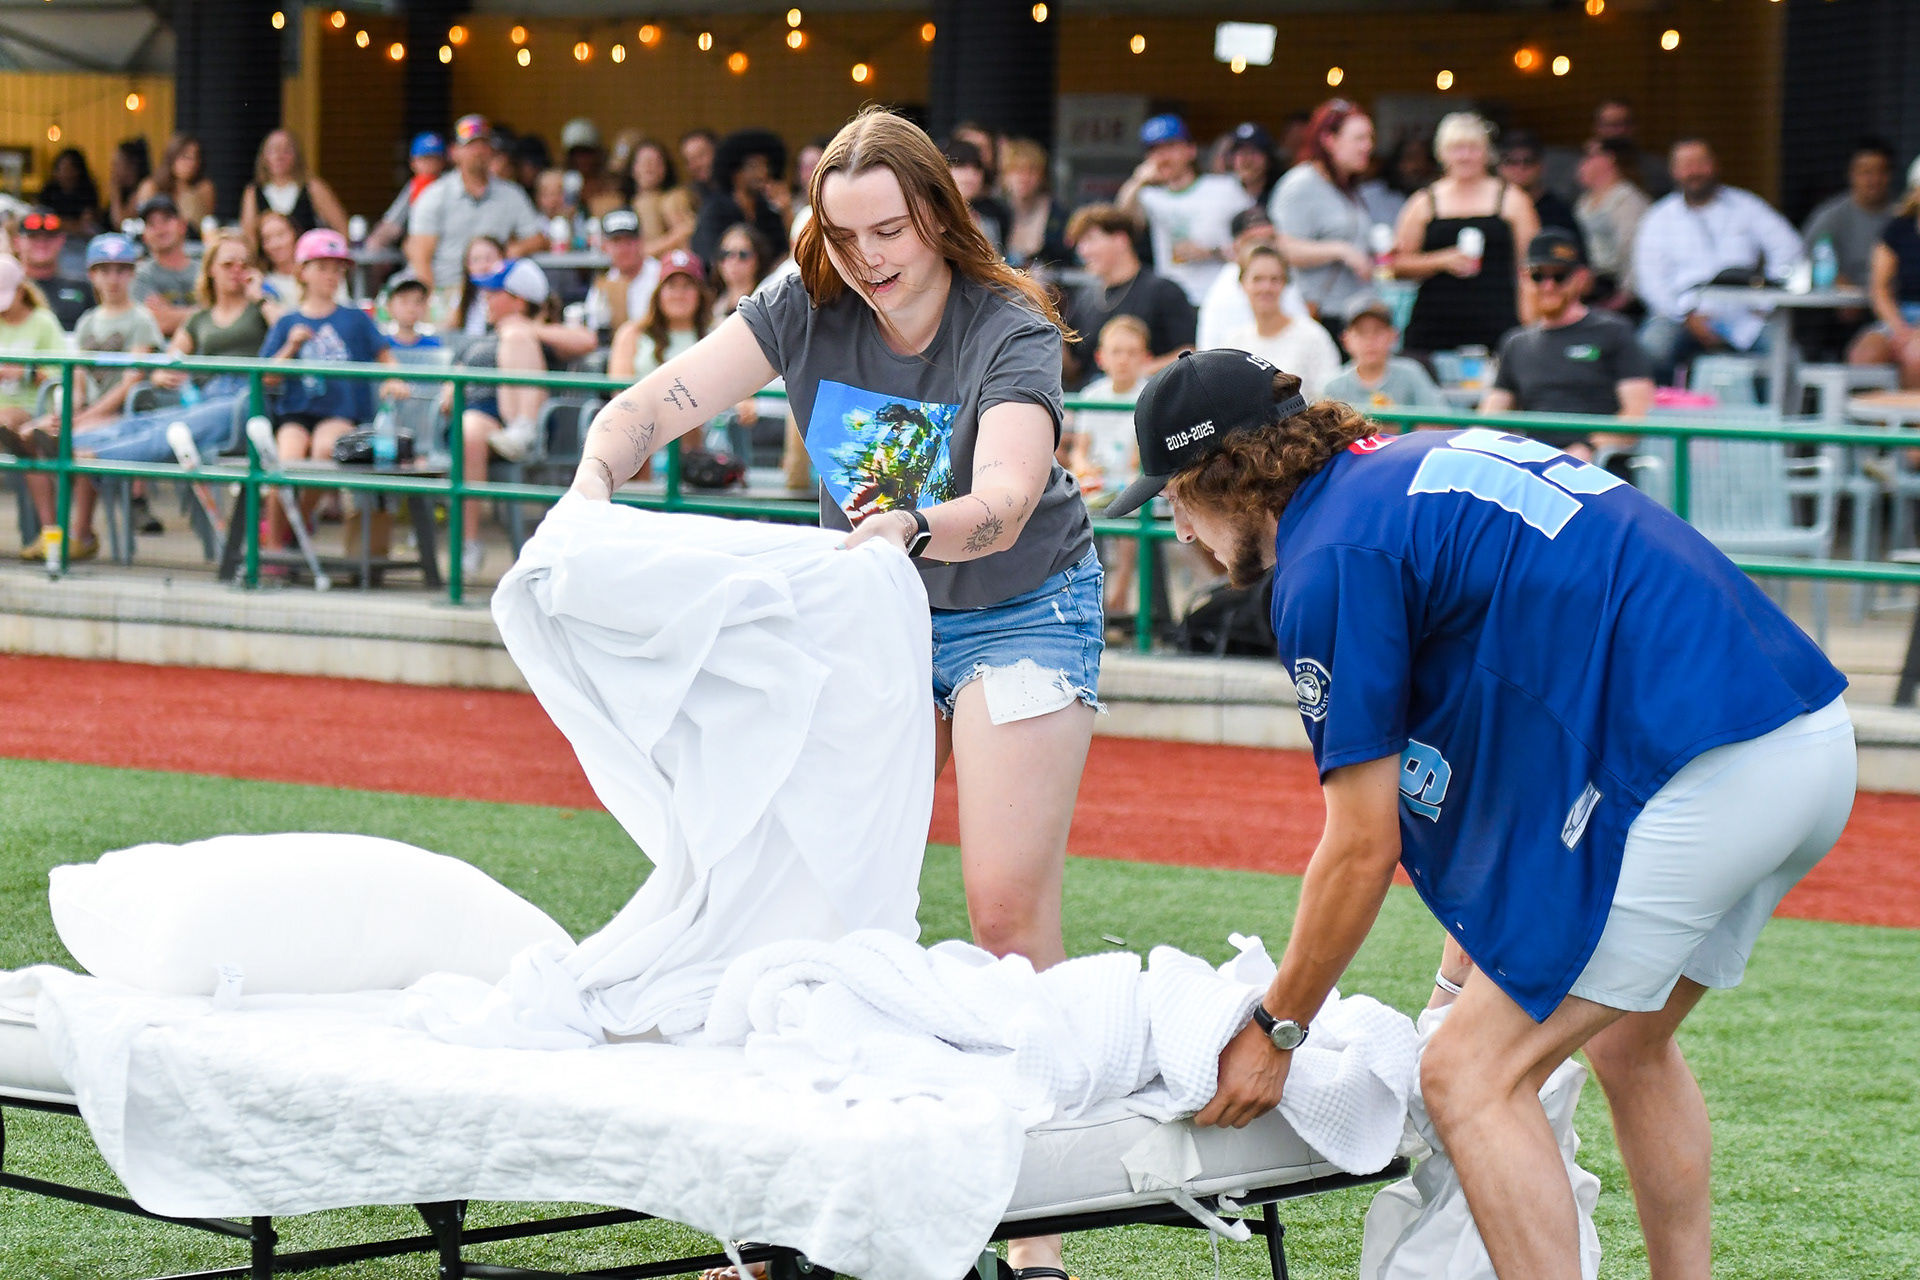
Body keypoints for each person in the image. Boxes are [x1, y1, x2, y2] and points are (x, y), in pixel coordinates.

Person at [1102, 347, 1852, 1280]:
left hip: (1703, 763)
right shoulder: (1406, 464)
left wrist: (1277, 1027)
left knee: (1466, 1073)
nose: (1178, 528)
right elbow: (1517, 741)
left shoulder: (1329, 556)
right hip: (1808, 735)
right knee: (1630, 1042)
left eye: (1177, 497)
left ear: (1227, 473)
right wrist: (1462, 966)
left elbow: (1361, 846)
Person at [573, 109, 1101, 1280]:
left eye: (889, 230)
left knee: (1005, 910)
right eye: (844, 232)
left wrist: (911, 523)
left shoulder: (1008, 327)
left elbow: (1010, 495)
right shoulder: (803, 302)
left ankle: (1039, 1238)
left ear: (939, 216)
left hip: (1019, 605)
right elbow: (662, 400)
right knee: (816, 900)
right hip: (875, 614)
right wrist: (596, 474)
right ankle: (788, 1223)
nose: (867, 257)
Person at [1, 231, 271, 553]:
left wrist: (262, 297)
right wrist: (160, 373)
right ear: (211, 269)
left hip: (244, 400)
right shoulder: (200, 318)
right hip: (203, 398)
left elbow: (287, 331)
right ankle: (63, 458)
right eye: (228, 263)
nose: (237, 270)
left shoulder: (261, 309)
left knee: (168, 429)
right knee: (149, 424)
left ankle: (86, 457)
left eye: (244, 263)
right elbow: (168, 360)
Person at [9, 233, 163, 556]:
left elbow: (130, 383)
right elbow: (77, 382)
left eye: (121, 270)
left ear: (132, 273)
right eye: (105, 270)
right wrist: (66, 413)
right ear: (92, 275)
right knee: (32, 434)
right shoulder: (87, 321)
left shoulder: (141, 319)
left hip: (130, 414)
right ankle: (53, 532)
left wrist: (80, 419)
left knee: (79, 441)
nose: (113, 278)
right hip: (90, 412)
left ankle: (81, 534)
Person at [256, 229, 404, 552]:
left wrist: (393, 379)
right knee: (286, 458)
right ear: (302, 272)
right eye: (322, 267)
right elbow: (267, 377)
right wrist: (291, 346)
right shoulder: (287, 322)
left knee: (325, 449)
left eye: (337, 269)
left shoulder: (355, 319)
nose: (331, 276)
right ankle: (275, 545)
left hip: (341, 411)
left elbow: (385, 355)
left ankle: (294, 525)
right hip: (296, 411)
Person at [452, 256, 595, 564]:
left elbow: (587, 341)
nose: (486, 298)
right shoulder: (481, 336)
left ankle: (523, 429)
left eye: (495, 292)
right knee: (469, 431)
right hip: (482, 415)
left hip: (535, 419)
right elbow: (456, 373)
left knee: (516, 336)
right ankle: (469, 542)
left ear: (518, 300)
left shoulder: (536, 331)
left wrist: (527, 328)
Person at [1633, 139, 1804, 385]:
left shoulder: (1746, 206)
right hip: (1680, 314)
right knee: (1649, 348)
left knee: (1787, 358)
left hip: (1744, 313)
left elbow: (1789, 248)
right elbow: (1649, 280)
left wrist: (1766, 301)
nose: (1694, 171)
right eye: (1686, 165)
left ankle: (1773, 412)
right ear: (1673, 171)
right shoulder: (1659, 217)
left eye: (1700, 163)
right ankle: (1663, 407)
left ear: (1715, 165)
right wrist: (1685, 314)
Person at [1482, 230, 1654, 458]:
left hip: (1596, 464)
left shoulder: (1614, 332)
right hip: (1532, 462)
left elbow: (1636, 415)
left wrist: (1590, 448)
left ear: (1580, 278)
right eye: (1538, 276)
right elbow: (1490, 419)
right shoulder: (1516, 343)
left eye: (1559, 276)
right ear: (1524, 277)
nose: (1548, 285)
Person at [1393, 112, 1539, 357]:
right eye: (1456, 148)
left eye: (1473, 148)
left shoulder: (1512, 199)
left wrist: (1531, 324)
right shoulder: (1424, 202)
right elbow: (1397, 265)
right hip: (1434, 327)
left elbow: (1531, 268)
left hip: (1497, 323)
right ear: (1442, 153)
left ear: (1487, 153)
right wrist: (1442, 260)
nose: (1465, 156)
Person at [406, 115, 548, 300]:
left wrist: (515, 250)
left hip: (493, 291)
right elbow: (420, 256)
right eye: (471, 145)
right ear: (454, 152)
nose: (479, 151)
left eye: (485, 144)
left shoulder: (511, 194)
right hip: (446, 289)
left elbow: (539, 239)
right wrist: (430, 300)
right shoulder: (434, 195)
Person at [1118, 113, 1251, 306]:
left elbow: (1256, 240)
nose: (1163, 157)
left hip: (1220, 296)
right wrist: (1137, 181)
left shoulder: (1225, 188)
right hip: (1172, 300)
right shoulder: (1150, 196)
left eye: (1170, 147)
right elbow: (1120, 225)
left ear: (1191, 150)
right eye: (1155, 150)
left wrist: (1211, 252)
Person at [1062, 204, 1196, 388]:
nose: (1083, 251)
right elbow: (1074, 368)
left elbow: (1190, 352)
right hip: (1093, 400)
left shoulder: (1163, 290)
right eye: (1080, 244)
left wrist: (1136, 373)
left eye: (1091, 240)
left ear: (1120, 240)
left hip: (1147, 396)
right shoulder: (1085, 298)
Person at [1269, 98, 1377, 325]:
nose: (1367, 146)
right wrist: (1340, 250)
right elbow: (1282, 248)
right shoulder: (1301, 184)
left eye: (1370, 138)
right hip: (1318, 313)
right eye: (1359, 139)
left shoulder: (1349, 188)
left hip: (1353, 311)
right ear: (1329, 140)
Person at [1221, 245, 1342, 400]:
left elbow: (1329, 398)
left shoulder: (1312, 336)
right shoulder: (1233, 344)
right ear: (1242, 284)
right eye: (1257, 279)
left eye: (1275, 279)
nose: (1266, 288)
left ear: (1285, 283)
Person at [1196, 206, 1313, 352]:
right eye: (1253, 240)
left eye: (1270, 238)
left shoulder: (1282, 273)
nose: (1263, 245)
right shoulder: (1224, 292)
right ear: (1236, 246)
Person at [1848, 160, 1920, 389]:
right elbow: (1880, 288)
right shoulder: (1898, 229)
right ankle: (1875, 413)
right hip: (1899, 316)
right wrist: (1900, 329)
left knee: (1916, 357)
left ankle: (1911, 412)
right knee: (1864, 356)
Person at [1320, 292, 1446, 411]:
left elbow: (1440, 418)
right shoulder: (1333, 386)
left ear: (1393, 335)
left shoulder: (1412, 374)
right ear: (1345, 339)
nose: (1370, 340)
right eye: (1361, 332)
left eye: (1378, 331)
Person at [1801, 139, 1897, 289]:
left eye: (1881, 172)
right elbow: (1807, 260)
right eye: (1866, 172)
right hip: (1842, 300)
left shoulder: (1902, 215)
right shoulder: (1830, 217)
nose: (1874, 180)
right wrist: (1836, 281)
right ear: (1851, 173)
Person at [691, 129, 789, 268]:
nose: (762, 173)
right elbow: (708, 257)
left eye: (765, 166)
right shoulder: (715, 210)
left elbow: (784, 253)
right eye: (754, 167)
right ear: (735, 173)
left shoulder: (768, 211)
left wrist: (786, 212)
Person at [610, 248, 712, 381]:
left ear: (700, 293)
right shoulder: (632, 334)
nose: (678, 295)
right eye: (671, 286)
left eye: (687, 286)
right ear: (658, 294)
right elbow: (619, 388)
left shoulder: (716, 333)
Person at [1573, 137, 1649, 306]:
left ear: (1609, 158)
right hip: (1586, 287)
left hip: (1613, 290)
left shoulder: (1627, 200)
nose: (1582, 163)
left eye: (1589, 155)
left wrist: (1624, 296)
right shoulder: (1584, 202)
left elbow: (1635, 253)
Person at [239, 129, 347, 243]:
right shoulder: (253, 191)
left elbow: (342, 228)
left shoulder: (313, 188)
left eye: (286, 151)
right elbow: (249, 237)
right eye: (273, 151)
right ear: (263, 156)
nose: (279, 157)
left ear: (297, 155)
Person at [1498, 129, 1584, 252]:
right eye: (1511, 161)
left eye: (1528, 161)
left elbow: (1574, 256)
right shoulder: (1490, 210)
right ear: (1500, 167)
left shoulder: (1558, 211)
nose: (1520, 168)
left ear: (1541, 166)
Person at [999, 138, 1071, 274]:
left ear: (1041, 177)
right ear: (1004, 176)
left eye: (1031, 171)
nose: (1024, 178)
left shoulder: (1058, 215)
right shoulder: (996, 213)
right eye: (1016, 171)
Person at [129, 195, 198, 338]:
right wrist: (202, 313)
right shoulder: (139, 276)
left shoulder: (205, 269)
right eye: (151, 224)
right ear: (144, 236)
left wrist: (169, 312)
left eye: (166, 220)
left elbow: (224, 315)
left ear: (182, 226)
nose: (160, 228)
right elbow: (156, 324)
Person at [367, 132, 448, 252]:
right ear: (413, 162)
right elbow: (392, 223)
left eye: (435, 158)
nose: (430, 164)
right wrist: (375, 242)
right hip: (420, 246)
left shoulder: (450, 184)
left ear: (443, 161)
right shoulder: (414, 186)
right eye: (425, 158)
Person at [588, 209, 661, 338]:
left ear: (641, 242)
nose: (623, 249)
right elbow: (593, 328)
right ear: (605, 246)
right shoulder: (603, 284)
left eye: (629, 241)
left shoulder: (661, 275)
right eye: (616, 242)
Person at [16, 209, 92, 330]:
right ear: (17, 242)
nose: (42, 243)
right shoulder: (9, 289)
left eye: (49, 237)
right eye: (33, 237)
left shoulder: (83, 288)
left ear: (62, 240)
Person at [133, 133, 218, 237]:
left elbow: (204, 225)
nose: (192, 163)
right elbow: (143, 223)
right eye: (185, 157)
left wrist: (186, 190)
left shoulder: (204, 188)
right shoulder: (151, 186)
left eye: (196, 157)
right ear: (172, 157)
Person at [943, 138, 1012, 257]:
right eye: (961, 166)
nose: (970, 176)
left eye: (976, 168)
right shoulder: (936, 218)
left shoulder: (989, 221)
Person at [629, 139, 697, 260]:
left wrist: (645, 252)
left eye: (656, 162)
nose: (649, 167)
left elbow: (686, 231)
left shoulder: (675, 198)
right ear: (633, 168)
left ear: (665, 168)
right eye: (644, 162)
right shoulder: (629, 203)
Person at [561, 117, 625, 219]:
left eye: (587, 152)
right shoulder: (562, 185)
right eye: (575, 153)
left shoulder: (610, 186)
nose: (581, 159)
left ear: (597, 153)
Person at [711, 223, 774, 322]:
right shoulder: (713, 304)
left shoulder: (766, 303)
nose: (733, 261)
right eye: (726, 254)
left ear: (758, 259)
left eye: (743, 255)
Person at [40, 149, 103, 237]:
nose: (66, 173)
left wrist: (57, 223)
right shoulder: (49, 190)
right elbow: (40, 219)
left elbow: (86, 225)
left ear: (79, 171)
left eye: (69, 169)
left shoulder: (87, 192)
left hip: (79, 239)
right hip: (51, 237)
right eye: (62, 169)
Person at [256, 210, 304, 316]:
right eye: (267, 239)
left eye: (281, 235)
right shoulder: (262, 284)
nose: (275, 245)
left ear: (294, 234)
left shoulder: (314, 274)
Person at [1226, 122, 1281, 210]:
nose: (1247, 160)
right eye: (1240, 152)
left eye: (1254, 152)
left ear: (1268, 158)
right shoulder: (1220, 192)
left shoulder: (1281, 192)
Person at [383, 274, 442, 352]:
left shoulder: (433, 346)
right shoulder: (381, 347)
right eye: (404, 302)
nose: (411, 309)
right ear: (389, 306)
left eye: (418, 301)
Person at [106, 138, 150, 233]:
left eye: (117, 164)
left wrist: (115, 190)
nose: (113, 169)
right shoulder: (125, 191)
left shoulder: (143, 189)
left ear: (132, 165)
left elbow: (120, 224)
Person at [679, 128, 719, 206]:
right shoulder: (690, 197)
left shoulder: (740, 189)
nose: (694, 166)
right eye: (688, 161)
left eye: (700, 156)